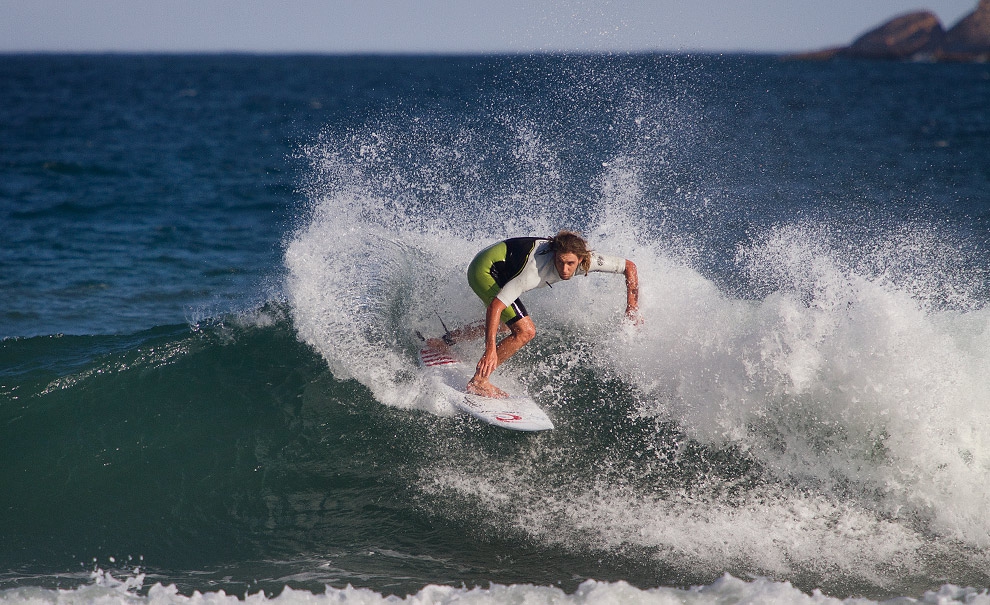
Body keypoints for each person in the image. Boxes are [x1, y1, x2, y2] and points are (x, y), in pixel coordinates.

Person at [455, 230, 640, 398]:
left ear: (582, 260)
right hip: (484, 270)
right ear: (554, 255)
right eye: (560, 261)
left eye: (570, 264)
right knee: (525, 331)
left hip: (503, 264)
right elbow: (495, 306)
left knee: (508, 322)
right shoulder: (534, 270)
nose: (565, 269)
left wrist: (632, 307)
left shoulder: (589, 260)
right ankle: (479, 382)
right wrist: (490, 350)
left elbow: (629, 267)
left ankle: (447, 340)